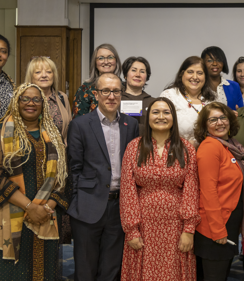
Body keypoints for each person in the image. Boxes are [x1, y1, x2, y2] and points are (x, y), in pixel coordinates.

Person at [0, 83, 69, 280]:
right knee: (12, 272)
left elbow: (63, 176)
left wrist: (46, 207)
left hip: (46, 216)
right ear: (17, 102)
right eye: (25, 99)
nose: (31, 103)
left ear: (43, 104)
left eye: (36, 99)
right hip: (10, 214)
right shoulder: (1, 130)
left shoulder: (53, 134)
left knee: (45, 271)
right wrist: (30, 207)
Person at [67, 73, 139, 281]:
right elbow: (74, 169)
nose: (111, 96)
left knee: (111, 267)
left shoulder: (130, 125)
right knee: (85, 267)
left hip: (118, 207)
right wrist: (76, 202)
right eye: (106, 91)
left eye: (116, 91)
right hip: (87, 206)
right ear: (96, 94)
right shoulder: (80, 125)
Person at [120, 97, 200, 280]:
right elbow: (127, 191)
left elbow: (191, 190)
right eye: (156, 112)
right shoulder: (134, 148)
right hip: (143, 226)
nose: (161, 116)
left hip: (176, 226)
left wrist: (188, 230)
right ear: (148, 117)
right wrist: (132, 230)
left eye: (166, 112)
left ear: (173, 117)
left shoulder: (186, 148)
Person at [193, 102, 244, 281]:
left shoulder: (227, 146)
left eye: (223, 117)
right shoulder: (210, 147)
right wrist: (218, 230)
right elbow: (208, 192)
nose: (220, 122)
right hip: (214, 228)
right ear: (205, 125)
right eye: (213, 119)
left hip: (226, 224)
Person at [160, 56, 217, 147]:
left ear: (205, 76)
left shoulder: (213, 98)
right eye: (190, 72)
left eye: (199, 73)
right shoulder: (169, 96)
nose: (195, 77)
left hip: (207, 153)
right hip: (176, 153)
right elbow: (160, 129)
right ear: (182, 74)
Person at [24, 57, 72, 142]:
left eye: (49, 72)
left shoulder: (62, 97)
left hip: (60, 153)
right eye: (38, 72)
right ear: (31, 76)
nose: (44, 75)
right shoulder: (23, 99)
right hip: (31, 152)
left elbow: (69, 131)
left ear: (54, 75)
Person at [72, 43, 122, 118]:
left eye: (110, 57)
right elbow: (79, 123)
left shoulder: (124, 87)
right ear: (95, 63)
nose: (106, 62)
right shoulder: (85, 89)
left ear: (116, 61)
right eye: (101, 58)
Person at [121, 56, 155, 135]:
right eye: (133, 70)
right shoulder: (115, 100)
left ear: (146, 77)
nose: (138, 74)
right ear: (125, 75)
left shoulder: (153, 103)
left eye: (142, 72)